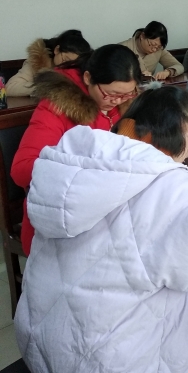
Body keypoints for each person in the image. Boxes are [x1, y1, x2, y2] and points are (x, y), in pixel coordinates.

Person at [14, 86, 188, 373]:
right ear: (178, 133)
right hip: (113, 363)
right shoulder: (168, 182)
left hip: (42, 346)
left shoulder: (72, 162)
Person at [11, 44, 142, 255]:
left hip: (111, 212)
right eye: (110, 94)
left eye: (126, 95)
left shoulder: (126, 106)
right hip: (63, 220)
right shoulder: (57, 106)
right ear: (88, 78)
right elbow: (22, 170)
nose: (117, 101)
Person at [5, 29, 91, 97]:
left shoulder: (82, 69)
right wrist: (46, 87)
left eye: (73, 64)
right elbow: (10, 87)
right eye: (65, 59)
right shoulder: (37, 61)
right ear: (57, 50)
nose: (66, 66)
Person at [120, 21, 184, 79]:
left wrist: (168, 72)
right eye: (152, 44)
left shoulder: (159, 50)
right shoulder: (122, 49)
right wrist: (138, 75)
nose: (154, 49)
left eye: (158, 47)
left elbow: (179, 66)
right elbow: (116, 75)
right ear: (142, 36)